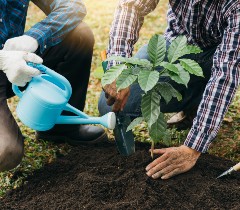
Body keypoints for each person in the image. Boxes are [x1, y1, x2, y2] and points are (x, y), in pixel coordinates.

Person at [98, 0, 240, 179]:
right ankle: (195, 100)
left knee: (220, 74)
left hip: (226, 53)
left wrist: (192, 147)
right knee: (109, 105)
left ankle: (200, 103)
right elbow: (131, 6)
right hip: (179, 46)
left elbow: (225, 74)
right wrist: (119, 66)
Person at [0, 0, 108, 172]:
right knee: (6, 151)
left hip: (19, 59)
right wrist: (3, 60)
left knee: (79, 34)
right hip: (6, 60)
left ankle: (59, 128)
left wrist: (33, 37)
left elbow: (72, 5)